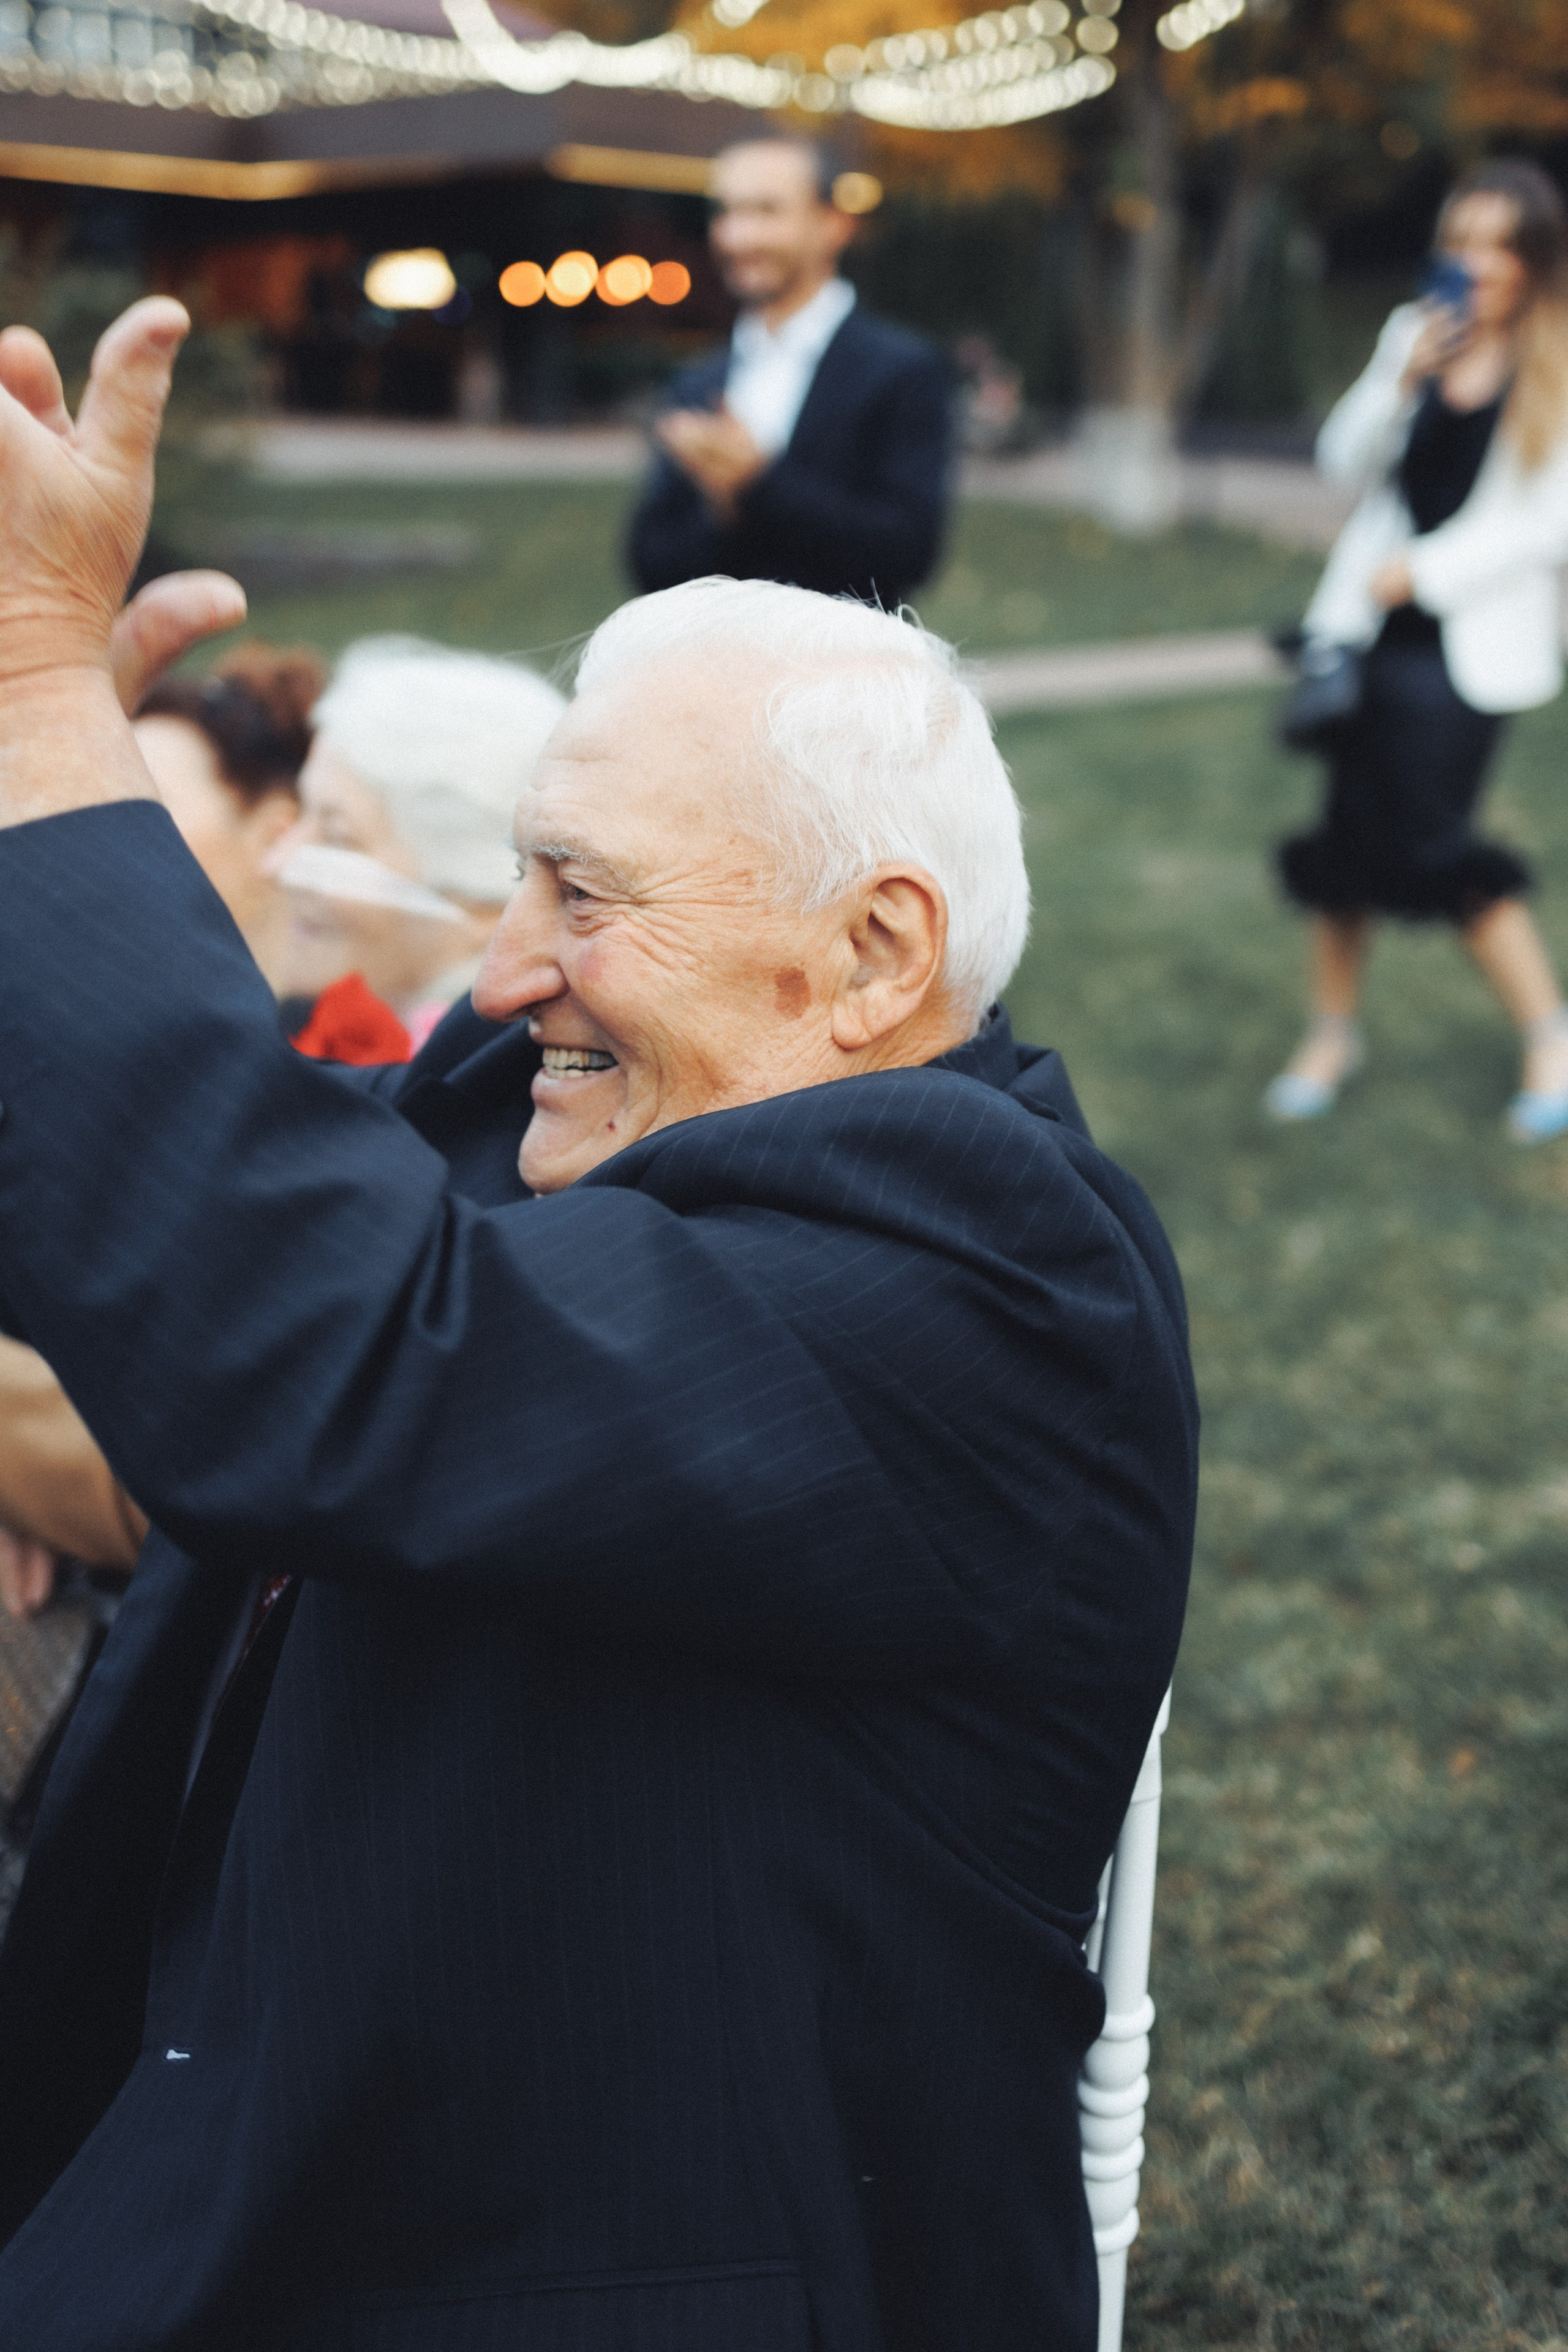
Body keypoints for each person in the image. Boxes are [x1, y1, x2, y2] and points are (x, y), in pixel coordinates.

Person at [0, 299, 1196, 2352]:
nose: (494, 972)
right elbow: (159, 1236)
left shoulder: (1002, 1269)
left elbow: (327, 1363)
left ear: (871, 952)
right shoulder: (536, 1116)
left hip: (567, 2275)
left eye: (578, 891)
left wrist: (37, 710)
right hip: (224, 2163)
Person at [1267, 159, 1568, 1142]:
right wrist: (1401, 384)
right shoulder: (1414, 335)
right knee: (1346, 846)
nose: (1475, 262)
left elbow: (1549, 522)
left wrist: (1428, 572)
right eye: (1462, 240)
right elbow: (1340, 463)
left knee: (1438, 846)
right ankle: (1331, 1035)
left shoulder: (1556, 357)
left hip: (1468, 650)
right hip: (1367, 636)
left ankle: (1551, 1038)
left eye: (1497, 244)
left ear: (1532, 262)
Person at [627, 137, 953, 609]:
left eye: (767, 212)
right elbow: (649, 563)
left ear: (832, 225)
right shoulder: (698, 381)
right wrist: (717, 508)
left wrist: (757, 483)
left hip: (846, 671)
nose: (740, 237)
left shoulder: (902, 371)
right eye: (728, 212)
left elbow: (908, 555)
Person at [276, 634, 566, 1054]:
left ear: (483, 906)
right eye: (301, 812)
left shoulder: (490, 1100)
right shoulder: (316, 1040)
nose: (280, 863)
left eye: (338, 840)